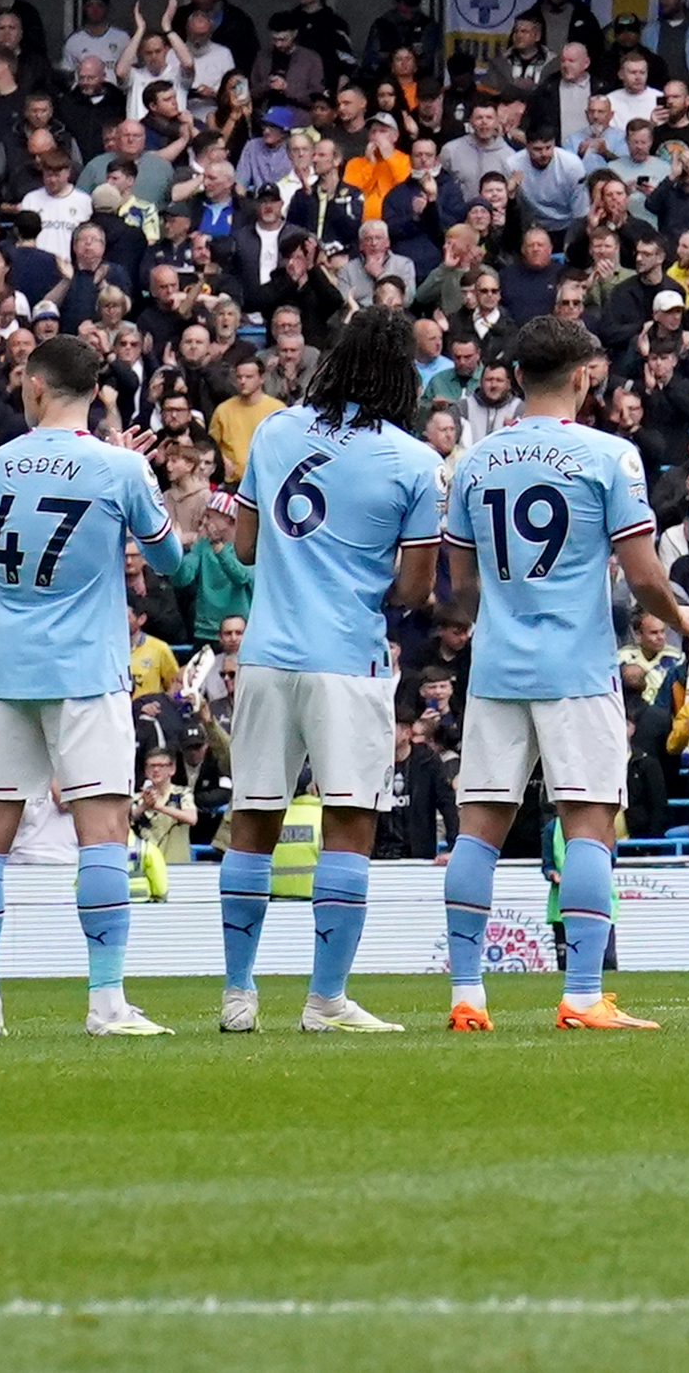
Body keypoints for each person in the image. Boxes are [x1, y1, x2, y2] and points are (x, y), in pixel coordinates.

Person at [440, 313, 689, 1030]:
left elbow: (460, 585)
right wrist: (685, 618)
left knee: (478, 829)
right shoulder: (609, 455)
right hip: (578, 667)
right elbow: (645, 575)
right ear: (585, 375)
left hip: (496, 664)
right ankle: (583, 993)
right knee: (587, 824)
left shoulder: (476, 459)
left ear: (517, 376)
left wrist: (501, 610)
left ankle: (466, 994)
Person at [215, 307, 449, 1035]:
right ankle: (324, 998)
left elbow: (246, 547)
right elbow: (412, 589)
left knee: (253, 818)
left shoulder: (277, 430)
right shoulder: (413, 461)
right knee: (348, 822)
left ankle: (237, 993)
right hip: (347, 658)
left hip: (265, 654)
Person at [0, 333, 177, 1038]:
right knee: (104, 833)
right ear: (95, 390)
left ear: (33, 385)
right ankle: (105, 1001)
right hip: (85, 670)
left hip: (10, 670)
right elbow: (169, 558)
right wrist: (138, 479)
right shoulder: (119, 467)